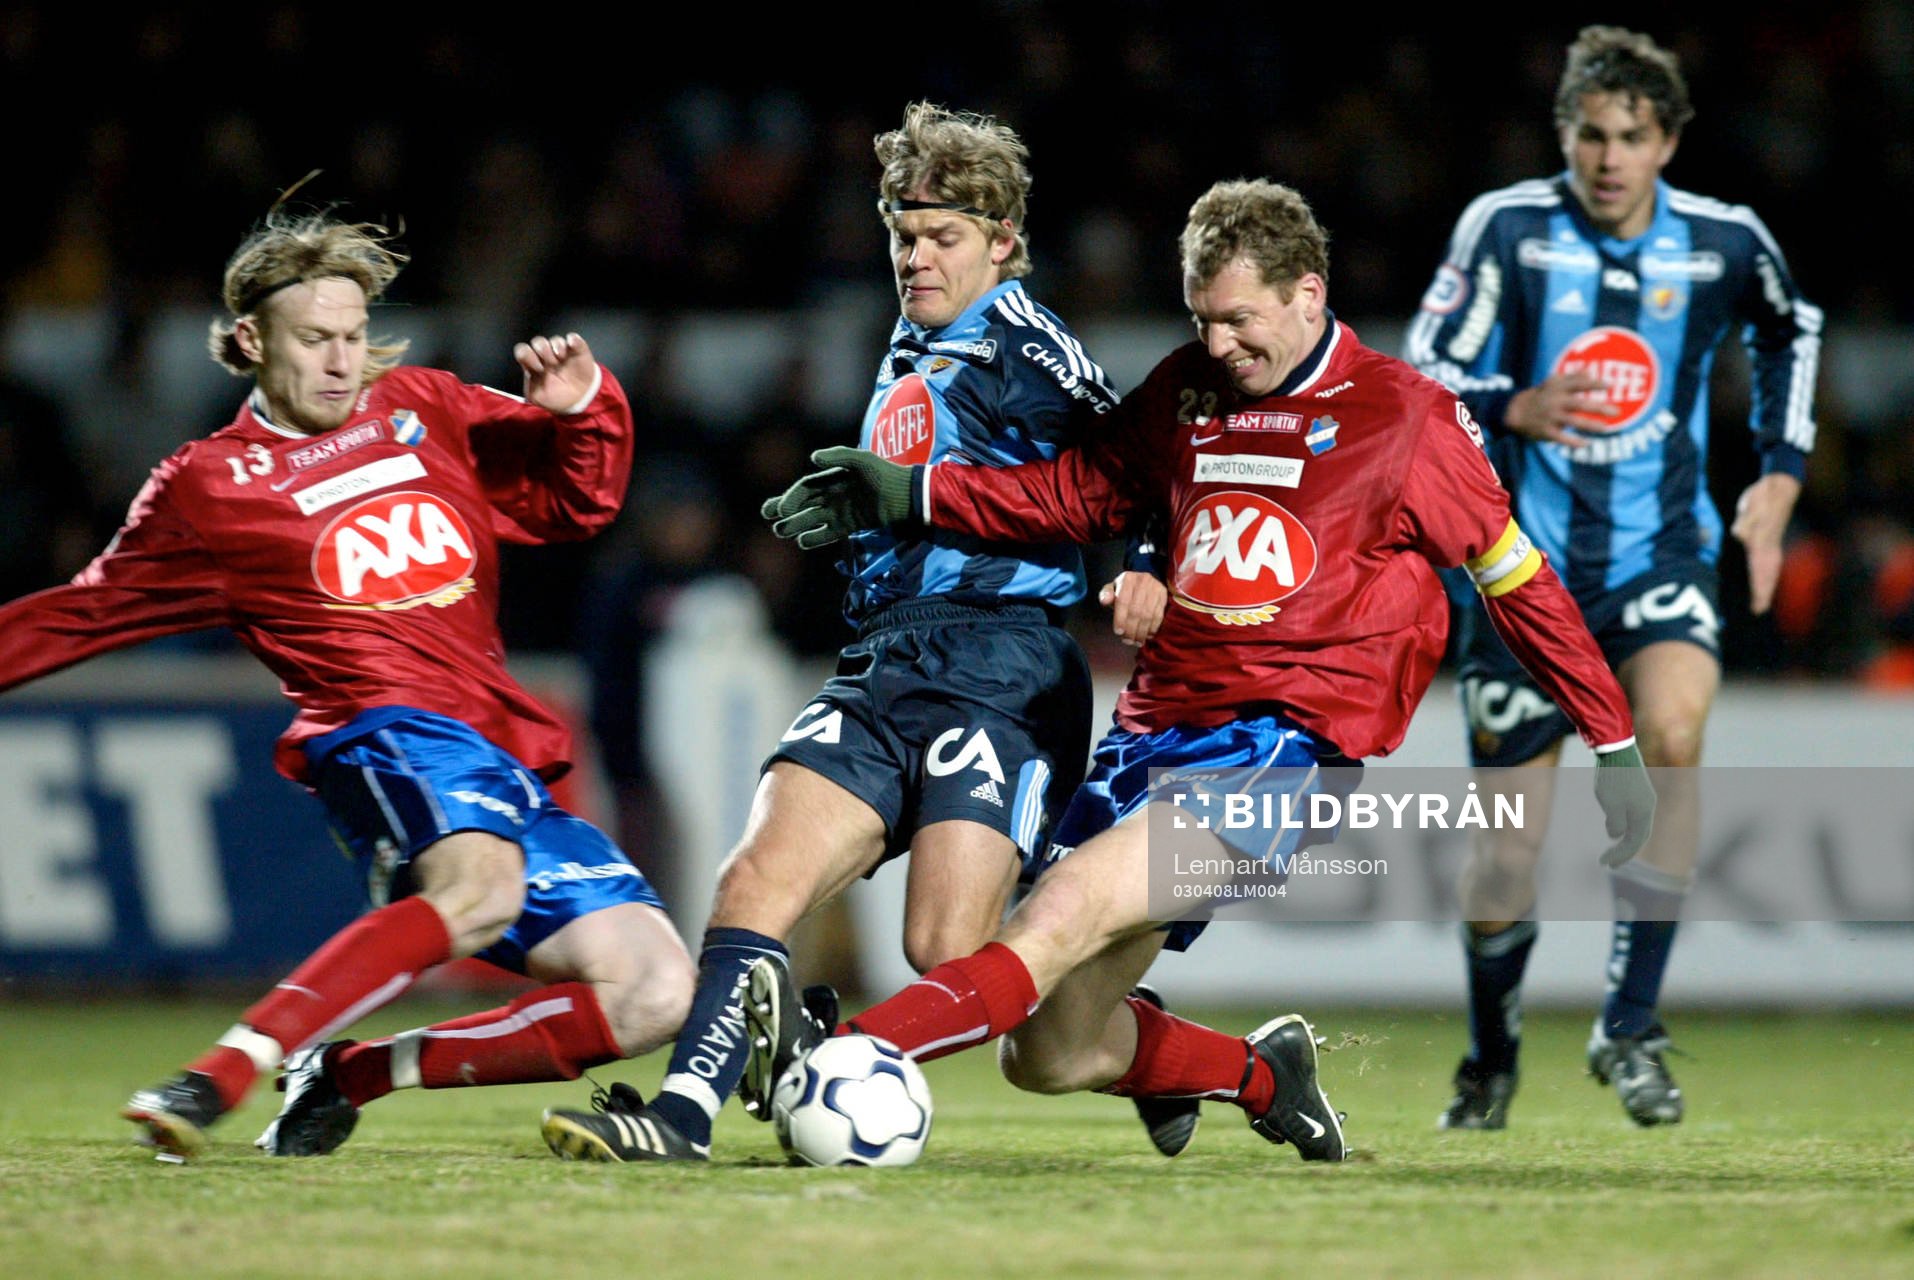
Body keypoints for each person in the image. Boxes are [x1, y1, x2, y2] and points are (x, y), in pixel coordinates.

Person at [757, 178, 1657, 1163]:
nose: (1220, 345)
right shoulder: (1189, 387)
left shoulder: (1408, 422)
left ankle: (835, 1058)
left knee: (1052, 920)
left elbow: (1517, 585)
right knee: (1048, 1051)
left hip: (1278, 749)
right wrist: (918, 490)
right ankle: (1267, 1073)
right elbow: (1083, 490)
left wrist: (1611, 735)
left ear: (1309, 295)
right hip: (1149, 730)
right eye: (1202, 318)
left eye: (1238, 320)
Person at [539, 102, 1173, 1163]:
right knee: (754, 878)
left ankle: (1193, 1054)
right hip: (885, 662)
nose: (915, 258)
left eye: (942, 238)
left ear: (1003, 242)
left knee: (950, 951)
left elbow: (1135, 477)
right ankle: (680, 1116)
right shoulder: (912, 334)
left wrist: (1145, 563)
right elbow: (945, 486)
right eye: (902, 235)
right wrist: (867, 513)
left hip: (1002, 665)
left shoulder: (1027, 341)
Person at [0, 206, 696, 1159]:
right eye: (315, 339)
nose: (340, 360)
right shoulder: (209, 484)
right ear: (251, 340)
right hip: (383, 731)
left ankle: (348, 1072)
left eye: (354, 336)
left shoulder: (426, 406)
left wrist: (584, 410)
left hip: (498, 747)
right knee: (482, 891)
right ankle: (225, 1067)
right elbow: (83, 612)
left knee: (655, 991)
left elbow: (573, 503)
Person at [1405, 25, 1820, 1129]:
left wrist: (1778, 479)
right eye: (1589, 135)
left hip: (1657, 558)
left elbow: (1793, 329)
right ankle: (1490, 1058)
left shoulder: (1725, 243)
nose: (1607, 158)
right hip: (1519, 577)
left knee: (1675, 732)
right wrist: (1512, 405)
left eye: (1630, 138)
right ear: (1565, 136)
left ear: (1667, 142)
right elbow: (1425, 365)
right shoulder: (1508, 229)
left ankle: (1629, 1023)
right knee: (1506, 858)